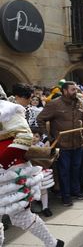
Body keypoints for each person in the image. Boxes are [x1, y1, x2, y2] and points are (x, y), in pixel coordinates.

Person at [0, 85, 64, 247]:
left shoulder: (8, 109)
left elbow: (25, 137)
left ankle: (52, 243)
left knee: (21, 216)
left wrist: (3, 161)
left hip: (10, 170)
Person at [37, 81, 83, 207]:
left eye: (76, 89)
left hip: (77, 143)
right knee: (64, 171)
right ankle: (66, 197)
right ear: (64, 91)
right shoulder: (54, 104)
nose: (75, 92)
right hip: (62, 145)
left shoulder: (79, 102)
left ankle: (76, 192)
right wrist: (48, 137)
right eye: (73, 89)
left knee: (76, 169)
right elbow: (40, 119)